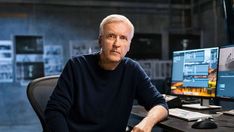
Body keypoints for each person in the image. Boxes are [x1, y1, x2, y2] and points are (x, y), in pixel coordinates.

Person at [45, 14, 168, 132]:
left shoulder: (132, 70)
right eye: (111, 36)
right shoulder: (76, 66)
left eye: (123, 38)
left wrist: (148, 121)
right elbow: (54, 111)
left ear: (129, 46)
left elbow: (160, 104)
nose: (117, 44)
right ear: (100, 41)